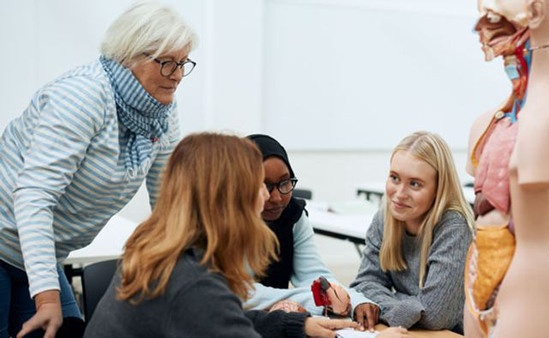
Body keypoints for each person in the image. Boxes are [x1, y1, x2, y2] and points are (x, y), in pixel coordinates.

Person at [0, 2, 197, 337]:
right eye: (166, 63)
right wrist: (47, 297)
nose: (177, 75)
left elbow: (168, 201)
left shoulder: (160, 110)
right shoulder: (83, 96)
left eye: (182, 63)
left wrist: (197, 275)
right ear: (128, 55)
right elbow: (34, 196)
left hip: (43, 250)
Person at [84, 132, 405, 338]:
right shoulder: (194, 284)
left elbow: (223, 320)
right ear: (228, 199)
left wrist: (297, 325)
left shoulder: (161, 252)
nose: (270, 198)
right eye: (258, 187)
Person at [464, 0, 549, 336]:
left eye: (493, 16)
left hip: (531, 291)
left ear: (536, 12)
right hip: (477, 273)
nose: (481, 28)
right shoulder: (489, 123)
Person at [244, 134, 377, 329]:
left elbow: (314, 274)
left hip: (277, 324)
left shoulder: (293, 215)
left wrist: (354, 300)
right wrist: (315, 298)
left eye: (284, 183)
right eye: (265, 185)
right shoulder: (226, 223)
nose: (277, 197)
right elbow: (241, 293)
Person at [350, 131, 474, 333]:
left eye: (414, 184)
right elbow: (363, 284)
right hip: (409, 331)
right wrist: (415, 305)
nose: (399, 194)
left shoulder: (454, 227)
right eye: (394, 178)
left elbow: (435, 316)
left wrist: (382, 303)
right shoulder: (385, 218)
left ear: (438, 188)